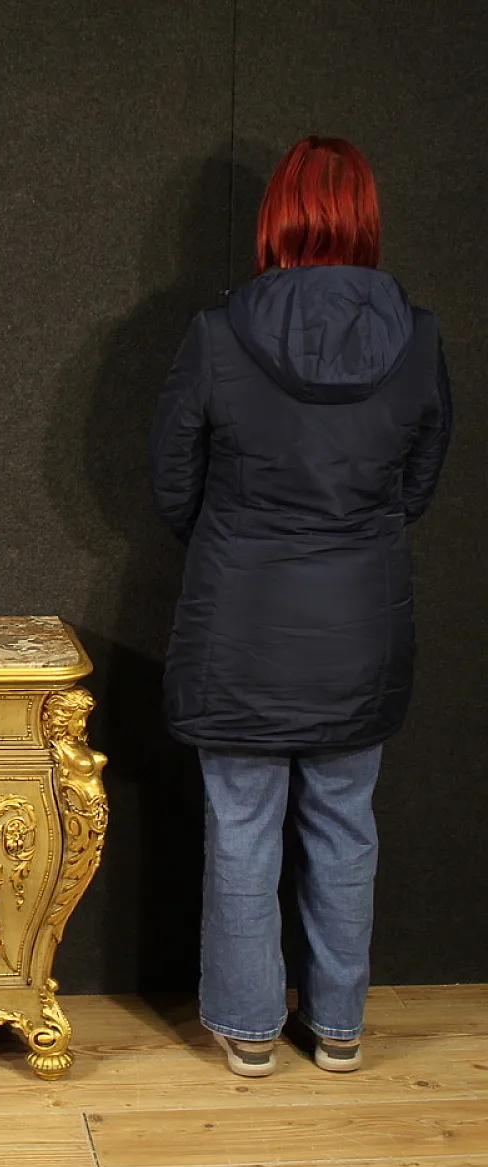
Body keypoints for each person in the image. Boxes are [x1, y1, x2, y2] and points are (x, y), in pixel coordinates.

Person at [149, 136, 452, 1077]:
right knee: (345, 823)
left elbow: (171, 482)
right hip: (360, 629)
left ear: (276, 217)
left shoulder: (218, 333)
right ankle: (339, 1025)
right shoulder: (419, 340)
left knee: (243, 825)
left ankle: (248, 1030)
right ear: (366, 217)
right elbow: (417, 484)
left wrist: (238, 541)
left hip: (239, 626)